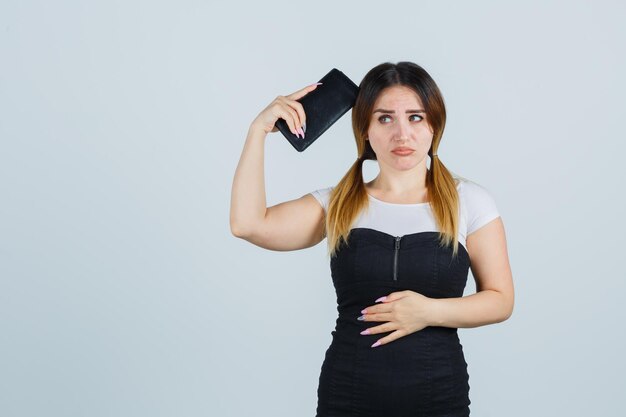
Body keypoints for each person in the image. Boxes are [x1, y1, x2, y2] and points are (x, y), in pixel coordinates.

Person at [230, 61, 514, 417]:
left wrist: (428, 311)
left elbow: (501, 300)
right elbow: (248, 224)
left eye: (415, 117)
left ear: (434, 125)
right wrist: (258, 130)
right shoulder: (336, 203)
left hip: (438, 398)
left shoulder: (469, 201)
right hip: (347, 396)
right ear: (365, 128)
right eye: (384, 118)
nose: (401, 134)